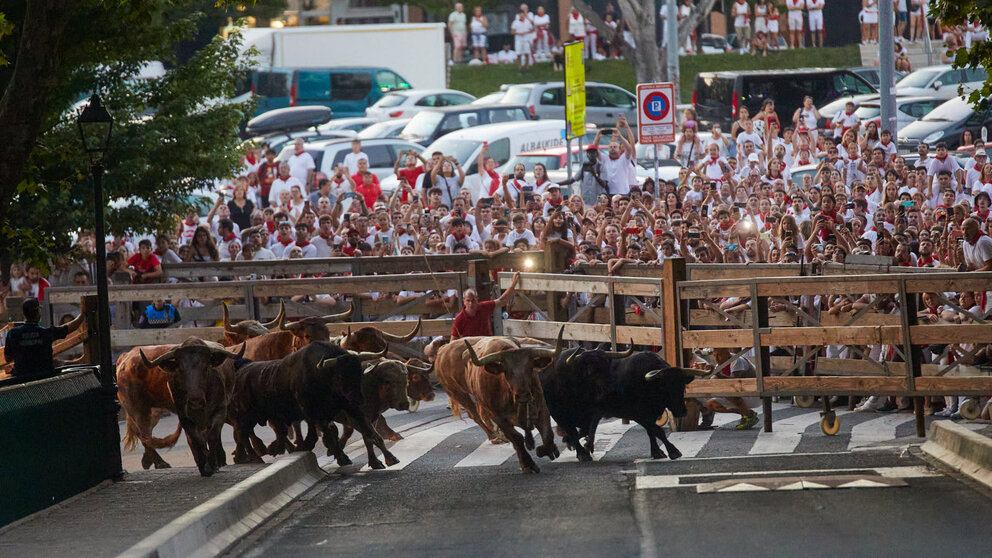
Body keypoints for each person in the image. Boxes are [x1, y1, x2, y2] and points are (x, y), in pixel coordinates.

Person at [4, 298, 76, 380]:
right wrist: (82, 316)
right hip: (45, 380)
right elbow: (69, 328)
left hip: (21, 381)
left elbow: (8, 358)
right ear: (38, 312)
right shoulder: (46, 333)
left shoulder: (13, 333)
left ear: (23, 314)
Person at [450, 272, 520, 339]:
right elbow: (453, 341)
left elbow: (502, 301)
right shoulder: (459, 319)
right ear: (464, 301)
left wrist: (513, 284)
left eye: (473, 300)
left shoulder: (484, 307)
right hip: (471, 347)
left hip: (488, 345)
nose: (470, 303)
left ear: (477, 299)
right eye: (468, 301)